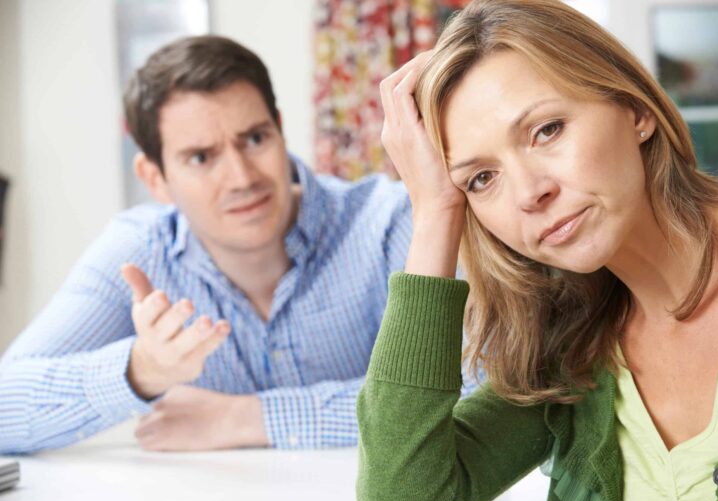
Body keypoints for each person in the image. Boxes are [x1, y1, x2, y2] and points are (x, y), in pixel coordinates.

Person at [356, 1, 718, 501]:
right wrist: (435, 211)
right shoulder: (568, 348)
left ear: (635, 110)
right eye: (482, 179)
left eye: (546, 130)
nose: (530, 193)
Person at [0, 35, 413, 454]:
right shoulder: (139, 251)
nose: (242, 177)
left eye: (254, 138)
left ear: (280, 130)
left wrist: (247, 418)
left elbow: (474, 393)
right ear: (154, 178)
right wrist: (142, 369)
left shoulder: (389, 222)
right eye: (201, 157)